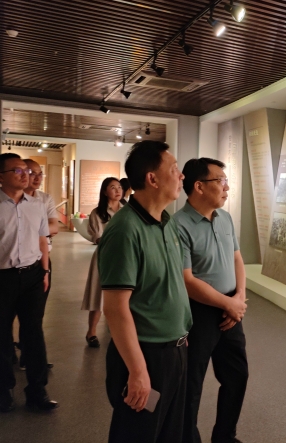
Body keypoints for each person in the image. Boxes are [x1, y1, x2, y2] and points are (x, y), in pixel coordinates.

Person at [98, 141, 191, 443]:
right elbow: (115, 308)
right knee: (138, 433)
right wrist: (137, 371)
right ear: (152, 179)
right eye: (174, 169)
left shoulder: (167, 222)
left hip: (175, 351)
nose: (181, 176)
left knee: (169, 434)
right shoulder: (125, 230)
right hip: (146, 356)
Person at [174, 158, 248, 443]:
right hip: (199, 313)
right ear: (199, 186)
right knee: (191, 383)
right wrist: (227, 304)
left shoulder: (224, 218)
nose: (226, 187)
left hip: (231, 310)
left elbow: (237, 259)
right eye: (220, 181)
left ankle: (225, 436)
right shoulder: (178, 225)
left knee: (236, 376)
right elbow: (187, 280)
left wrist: (239, 297)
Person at [0, 153, 58, 412]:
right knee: (2, 334)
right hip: (3, 277)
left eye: (27, 170)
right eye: (18, 171)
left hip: (33, 274)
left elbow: (42, 239)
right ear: (1, 177)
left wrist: (44, 272)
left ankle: (37, 390)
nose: (26, 175)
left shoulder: (36, 205)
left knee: (33, 333)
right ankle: (4, 391)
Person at [81, 177, 122, 348]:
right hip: (104, 256)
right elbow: (98, 237)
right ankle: (91, 332)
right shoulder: (97, 213)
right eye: (113, 187)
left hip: (125, 257)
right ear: (105, 191)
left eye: (119, 187)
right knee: (97, 294)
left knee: (122, 295)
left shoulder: (127, 210)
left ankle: (119, 332)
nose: (117, 190)